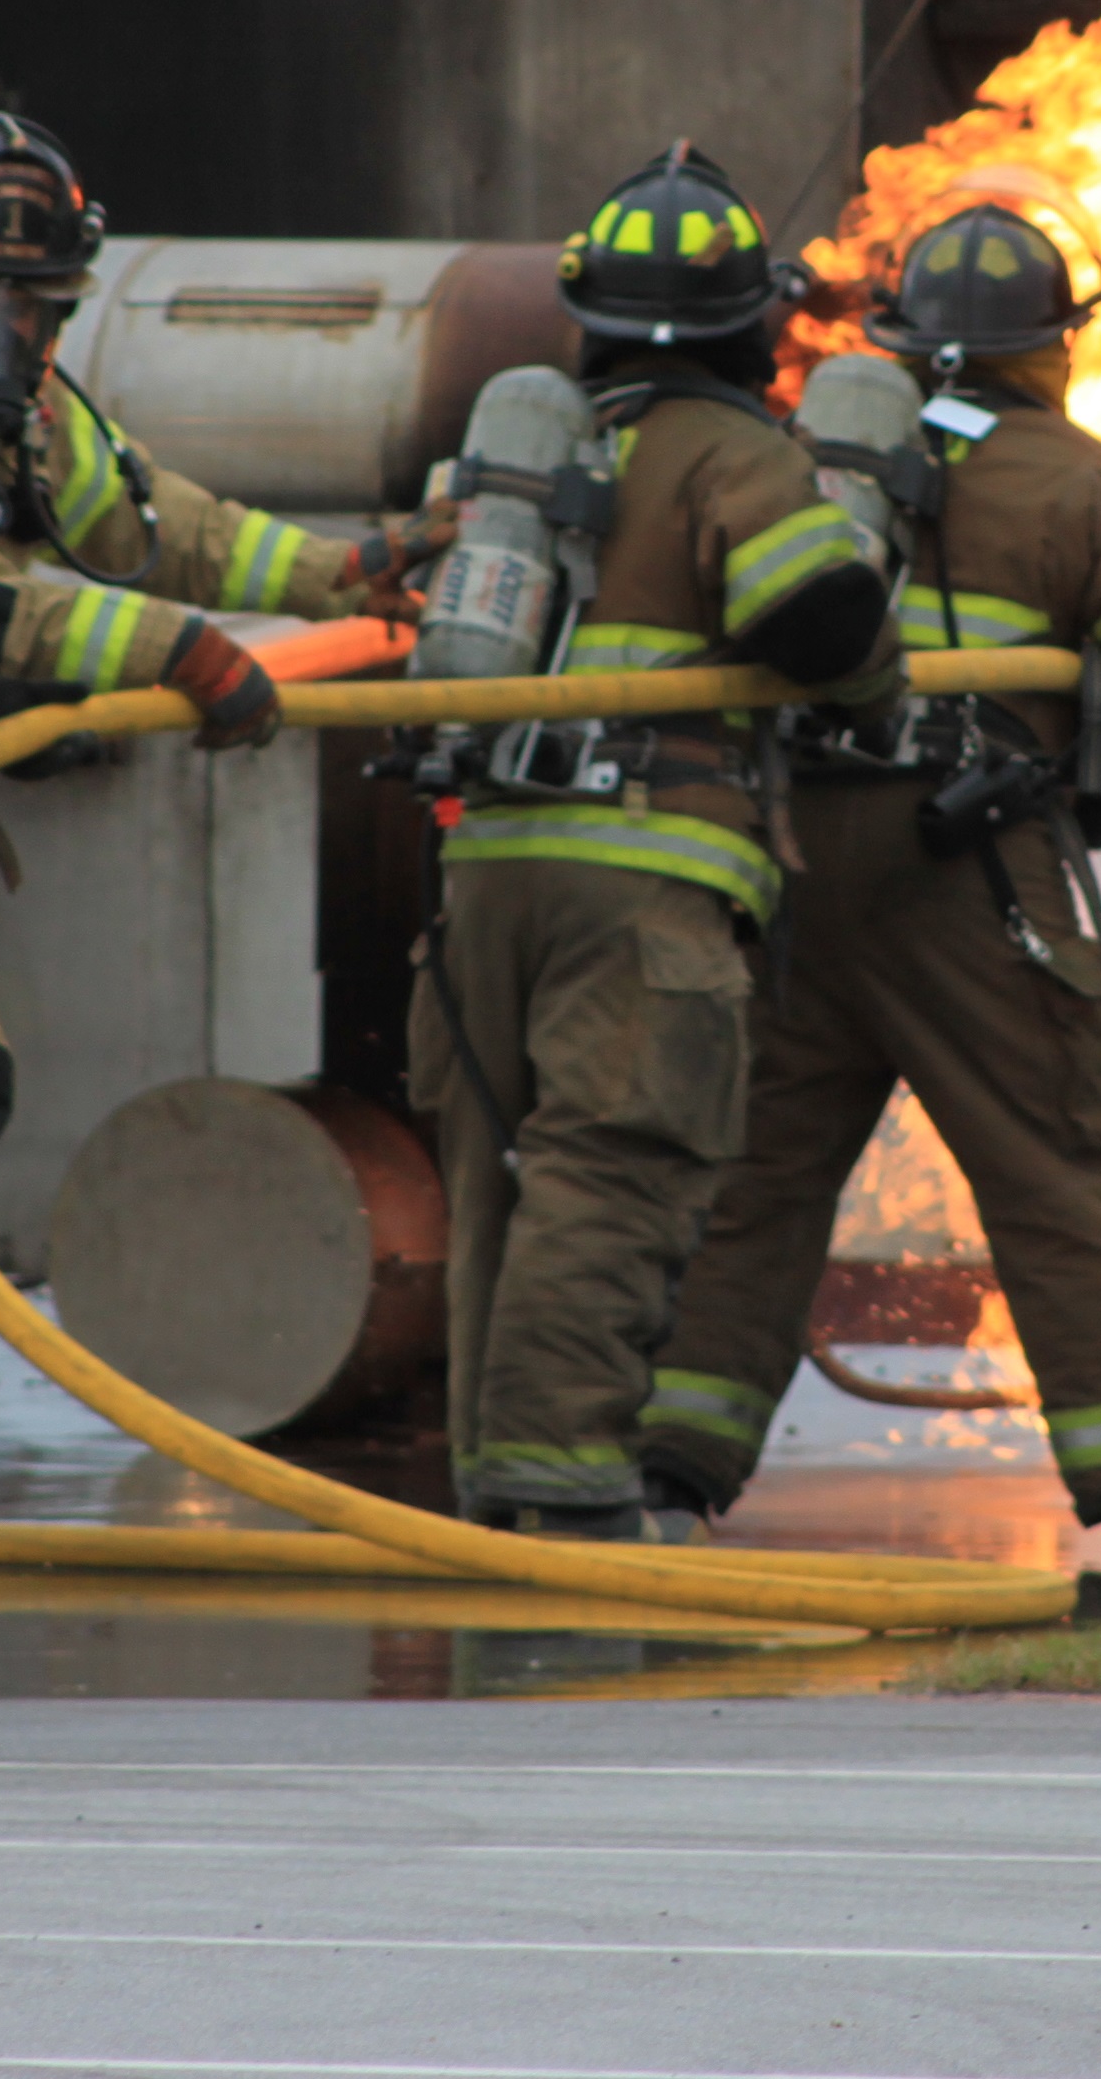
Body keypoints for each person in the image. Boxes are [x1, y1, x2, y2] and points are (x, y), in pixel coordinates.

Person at [0, 110, 433, 1560]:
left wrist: (341, 572)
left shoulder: (26, 409)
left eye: (36, 308)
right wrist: (182, 654)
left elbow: (149, 521)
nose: (6, 336)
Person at [637, 194, 1101, 1559]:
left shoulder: (802, 457)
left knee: (751, 1172)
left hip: (788, 862)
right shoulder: (1078, 480)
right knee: (1065, 1158)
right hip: (970, 871)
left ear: (901, 333)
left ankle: (669, 1458)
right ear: (1053, 338)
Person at [415, 144, 904, 1536]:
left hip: (488, 865)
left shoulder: (546, 449)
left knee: (495, 1193)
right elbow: (817, 623)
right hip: (647, 878)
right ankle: (568, 1501)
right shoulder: (735, 452)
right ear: (757, 323)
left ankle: (490, 1492)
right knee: (612, 1176)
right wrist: (875, 661)